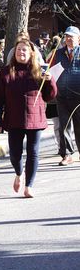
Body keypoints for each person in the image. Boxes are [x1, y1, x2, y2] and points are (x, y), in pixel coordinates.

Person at [0, 38, 57, 198]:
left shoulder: (40, 70)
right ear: (14, 52)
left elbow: (50, 96)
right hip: (14, 119)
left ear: (31, 53)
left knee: (33, 152)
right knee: (15, 154)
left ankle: (29, 186)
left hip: (35, 118)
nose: (21, 52)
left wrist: (50, 81)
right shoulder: (6, 72)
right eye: (19, 49)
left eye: (25, 50)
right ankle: (19, 173)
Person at [51, 26, 80, 166]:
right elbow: (52, 69)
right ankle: (67, 154)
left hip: (78, 96)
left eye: (72, 36)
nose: (69, 39)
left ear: (78, 39)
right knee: (64, 126)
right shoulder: (59, 52)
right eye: (67, 36)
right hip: (62, 96)